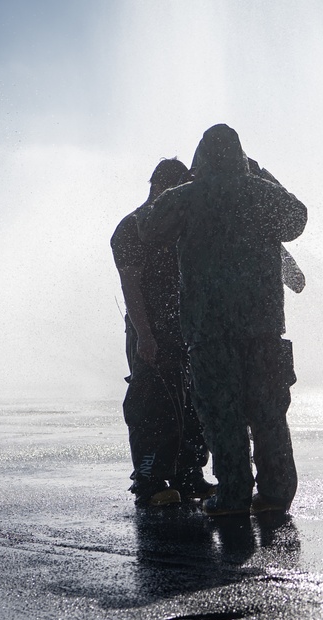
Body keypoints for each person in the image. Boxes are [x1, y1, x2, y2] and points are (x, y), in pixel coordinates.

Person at [138, 124, 307, 516]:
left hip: (209, 330)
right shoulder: (263, 195)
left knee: (221, 413)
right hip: (264, 327)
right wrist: (262, 176)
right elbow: (297, 218)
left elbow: (148, 228)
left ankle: (233, 495)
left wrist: (182, 186)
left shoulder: (188, 197)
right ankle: (277, 492)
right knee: (268, 412)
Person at [111, 159, 214, 507]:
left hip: (186, 329)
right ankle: (150, 481)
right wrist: (145, 335)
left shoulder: (180, 227)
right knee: (151, 405)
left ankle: (189, 475)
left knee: (192, 404)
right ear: (159, 187)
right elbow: (131, 285)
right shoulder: (132, 228)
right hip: (150, 331)